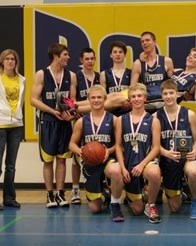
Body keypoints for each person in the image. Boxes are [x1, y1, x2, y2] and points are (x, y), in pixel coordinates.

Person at [30, 43, 76, 208]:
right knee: (48, 160)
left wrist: (69, 111)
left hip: (64, 122)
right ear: (56, 56)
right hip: (48, 121)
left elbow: (72, 100)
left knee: (62, 160)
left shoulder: (70, 75)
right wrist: (51, 110)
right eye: (65, 54)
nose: (68, 57)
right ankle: (49, 194)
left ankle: (61, 193)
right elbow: (33, 100)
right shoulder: (42, 74)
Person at [69, 85, 124, 222]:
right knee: (95, 209)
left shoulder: (114, 120)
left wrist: (108, 151)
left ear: (105, 99)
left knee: (117, 171)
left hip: (107, 159)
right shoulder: (81, 121)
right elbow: (71, 144)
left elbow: (119, 145)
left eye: (99, 97)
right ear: (88, 100)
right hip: (90, 162)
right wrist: (81, 151)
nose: (96, 100)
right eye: (93, 98)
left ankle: (115, 203)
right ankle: (104, 194)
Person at [115, 83, 162, 224]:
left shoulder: (153, 120)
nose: (136, 99)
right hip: (129, 164)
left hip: (145, 163)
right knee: (136, 211)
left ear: (145, 98)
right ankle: (132, 196)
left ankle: (151, 205)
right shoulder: (121, 120)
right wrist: (123, 168)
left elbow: (156, 148)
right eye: (133, 96)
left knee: (154, 173)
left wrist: (142, 165)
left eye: (139, 96)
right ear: (129, 100)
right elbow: (117, 146)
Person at [0, 49, 25, 211]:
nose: (10, 61)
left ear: (16, 62)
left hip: (15, 127)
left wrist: (17, 117)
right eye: (7, 59)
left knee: (11, 165)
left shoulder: (21, 80)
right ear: (2, 62)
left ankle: (9, 198)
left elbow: (20, 103)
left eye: (13, 59)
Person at [155, 80, 196, 219]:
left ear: (177, 94)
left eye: (171, 93)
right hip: (168, 160)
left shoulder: (189, 114)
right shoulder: (156, 117)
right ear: (162, 96)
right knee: (175, 208)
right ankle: (179, 191)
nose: (168, 96)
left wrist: (194, 150)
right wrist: (166, 153)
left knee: (193, 171)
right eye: (165, 94)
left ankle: (195, 200)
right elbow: (155, 144)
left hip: (187, 157)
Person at [70, 47, 100, 205]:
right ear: (81, 60)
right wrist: (77, 110)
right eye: (86, 59)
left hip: (96, 118)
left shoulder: (99, 76)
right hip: (81, 118)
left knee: (98, 152)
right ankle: (75, 189)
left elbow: (103, 98)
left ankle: (101, 188)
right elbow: (72, 102)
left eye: (92, 58)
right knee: (76, 158)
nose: (89, 61)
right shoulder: (76, 77)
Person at [130, 31, 174, 112]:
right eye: (142, 41)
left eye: (147, 40)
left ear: (154, 42)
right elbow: (133, 88)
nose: (145, 43)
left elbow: (172, 84)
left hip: (163, 103)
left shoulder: (166, 61)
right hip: (146, 105)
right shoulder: (138, 63)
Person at [100, 41, 132, 113]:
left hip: (127, 112)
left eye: (120, 52)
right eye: (115, 52)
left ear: (125, 55)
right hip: (110, 112)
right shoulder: (104, 74)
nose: (118, 54)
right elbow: (103, 97)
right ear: (111, 55)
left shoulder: (131, 73)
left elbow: (134, 92)